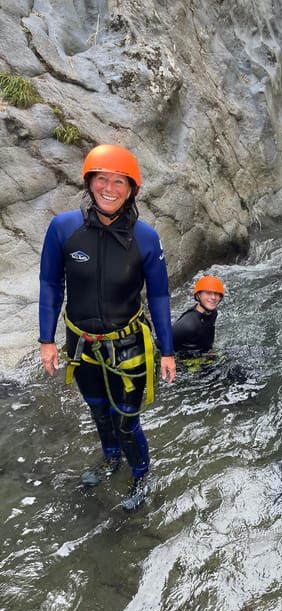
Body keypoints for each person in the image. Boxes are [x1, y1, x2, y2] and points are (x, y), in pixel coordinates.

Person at [39, 144, 176, 512]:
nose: (110, 188)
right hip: (81, 342)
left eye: (120, 182)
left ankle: (140, 475)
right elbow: (51, 284)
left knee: (126, 421)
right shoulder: (63, 228)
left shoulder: (145, 238)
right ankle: (111, 458)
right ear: (89, 183)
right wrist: (46, 340)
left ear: (131, 190)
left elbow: (159, 296)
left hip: (128, 345)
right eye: (102, 179)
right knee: (98, 411)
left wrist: (167, 350)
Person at [172, 275, 224, 354]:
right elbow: (160, 343)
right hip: (187, 363)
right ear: (198, 295)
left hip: (205, 356)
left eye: (217, 294)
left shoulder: (213, 313)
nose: (213, 297)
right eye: (208, 293)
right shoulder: (188, 324)